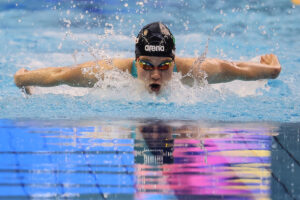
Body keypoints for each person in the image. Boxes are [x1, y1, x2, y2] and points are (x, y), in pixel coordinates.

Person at [14, 22, 281, 94]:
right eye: (147, 65)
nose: (155, 74)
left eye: (164, 66)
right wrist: (22, 78)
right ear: (135, 61)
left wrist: (272, 69)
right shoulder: (112, 72)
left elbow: (234, 68)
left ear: (174, 63)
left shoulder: (194, 71)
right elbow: (61, 75)